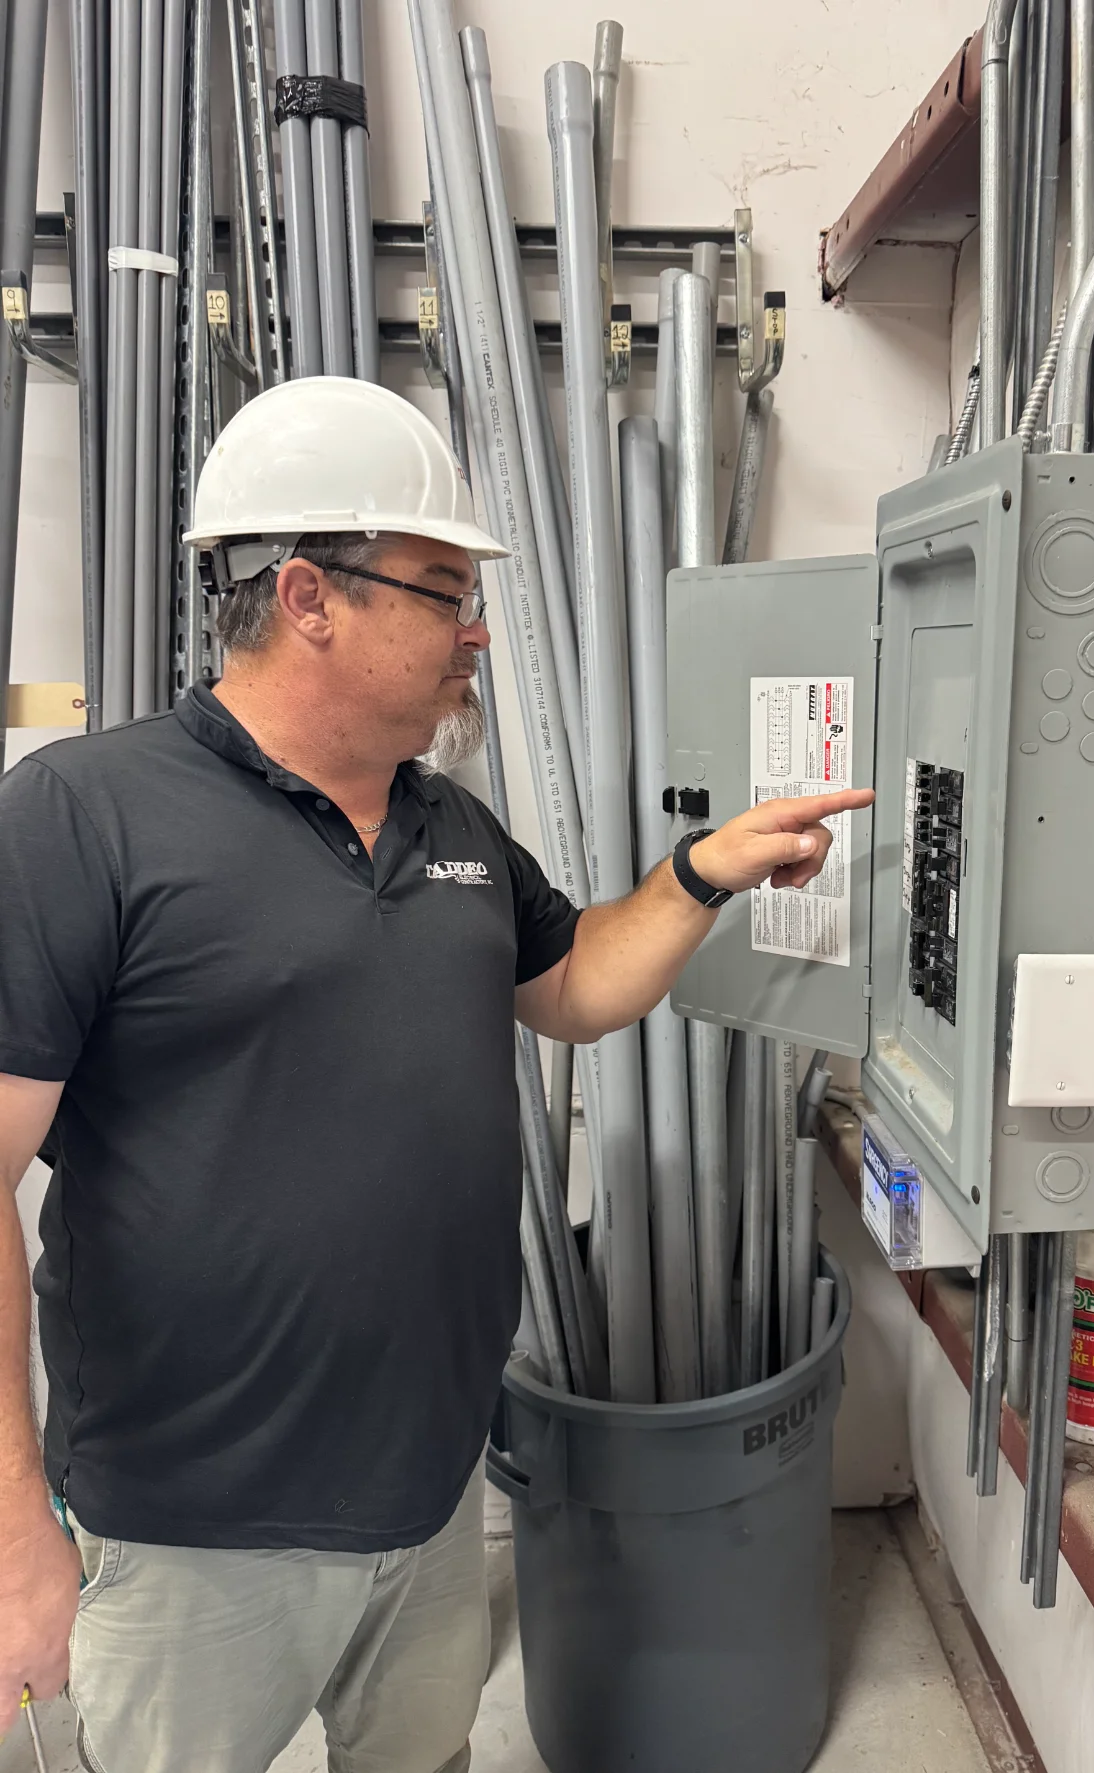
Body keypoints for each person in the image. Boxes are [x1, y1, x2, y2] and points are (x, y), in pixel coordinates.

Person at [0, 377, 872, 1773]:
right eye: (444, 592)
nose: (478, 630)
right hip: (192, 1525)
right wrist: (13, 1540)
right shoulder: (81, 819)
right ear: (308, 597)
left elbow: (574, 988)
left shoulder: (451, 824)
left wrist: (705, 874)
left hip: (427, 1487)